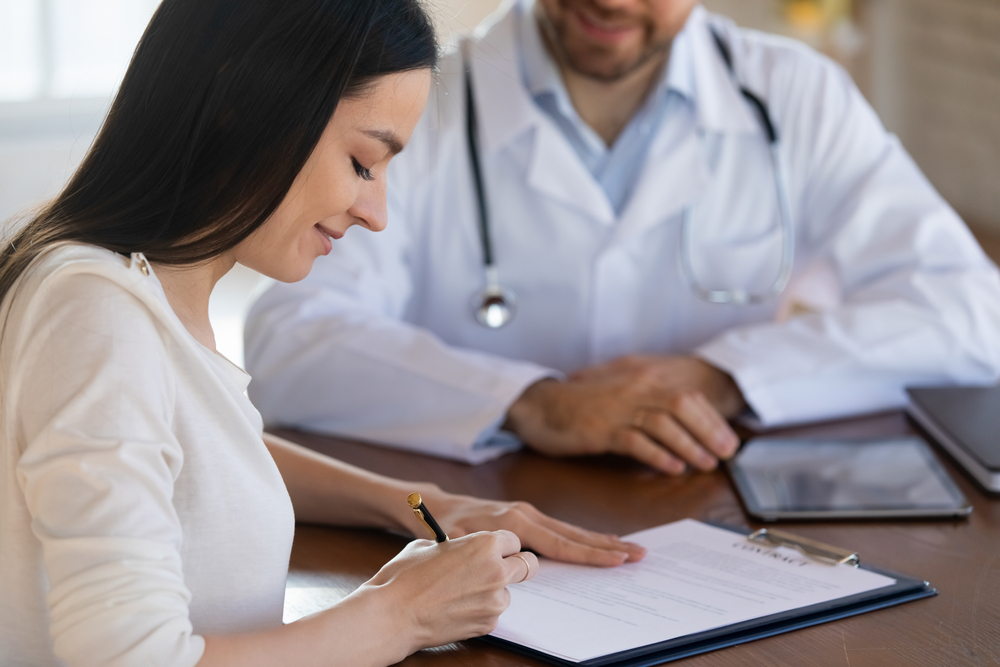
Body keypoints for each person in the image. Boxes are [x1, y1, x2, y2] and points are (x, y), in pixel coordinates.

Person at [0, 2, 645, 666]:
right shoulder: (98, 311)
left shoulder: (124, 290)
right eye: (364, 162)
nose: (377, 213)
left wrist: (427, 505)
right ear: (247, 106)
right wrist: (400, 612)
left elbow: (198, 454)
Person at [245, 0, 1000, 474]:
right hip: (471, 514)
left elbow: (972, 313)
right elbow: (291, 338)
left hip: (707, 514)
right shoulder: (429, 99)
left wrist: (726, 374)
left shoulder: (796, 96)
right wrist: (530, 402)